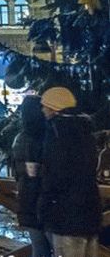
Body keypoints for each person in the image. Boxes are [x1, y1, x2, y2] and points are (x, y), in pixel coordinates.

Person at [38, 87, 101, 256]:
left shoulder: (57, 133)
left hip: (65, 216)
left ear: (54, 108)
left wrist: (43, 208)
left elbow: (55, 176)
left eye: (45, 106)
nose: (42, 110)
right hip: (89, 213)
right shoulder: (85, 131)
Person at [11, 95, 51, 257]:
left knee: (39, 248)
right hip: (47, 202)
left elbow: (17, 172)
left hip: (28, 201)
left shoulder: (20, 139)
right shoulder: (48, 136)